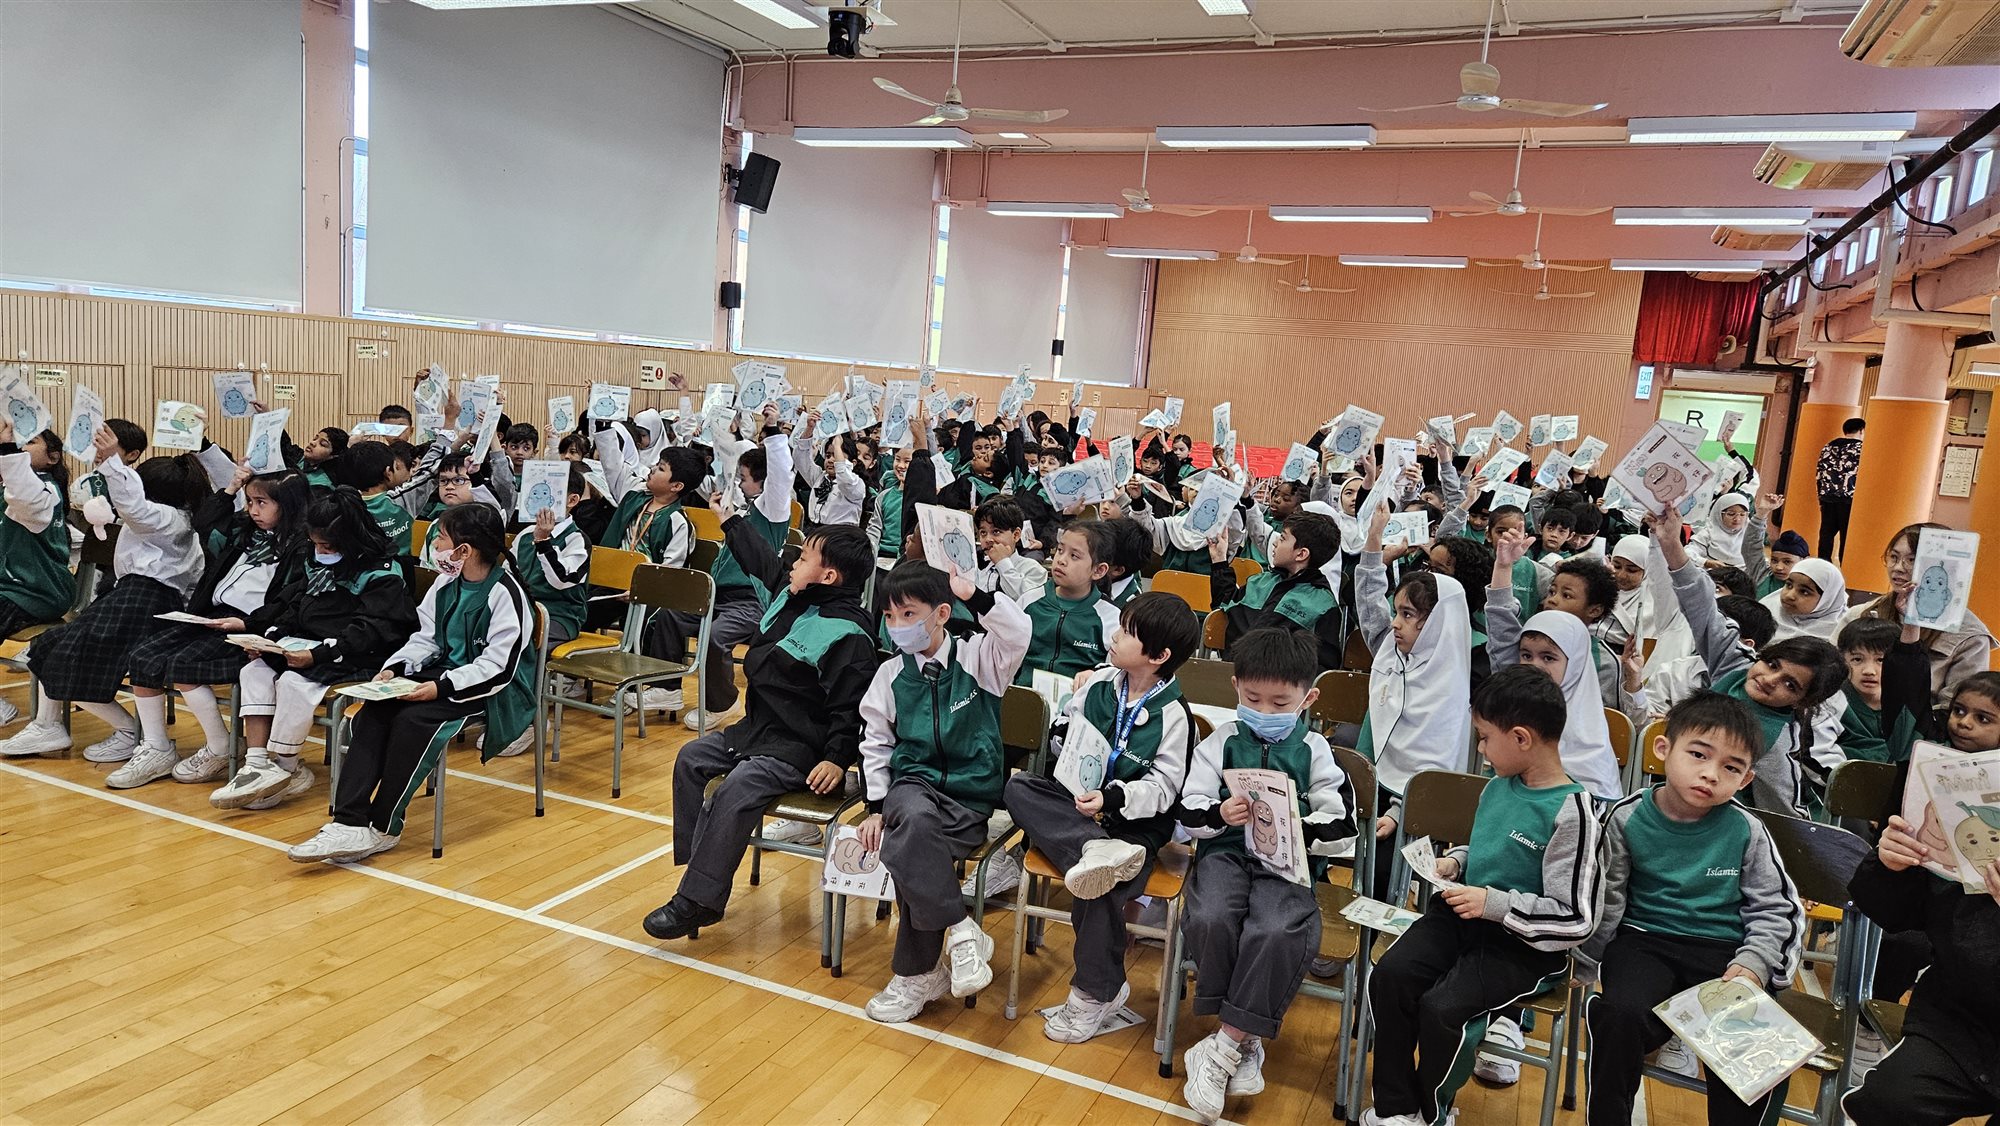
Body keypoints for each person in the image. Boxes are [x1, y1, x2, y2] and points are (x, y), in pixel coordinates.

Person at [1362, 665, 1602, 1126]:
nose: (1480, 748)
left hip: (1523, 945)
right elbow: (1491, 848)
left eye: (1485, 737)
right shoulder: (1497, 787)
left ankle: (1432, 1113)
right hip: (1462, 915)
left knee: (1442, 1009)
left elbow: (1574, 919)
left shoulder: (1573, 813)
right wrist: (1457, 861)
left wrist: (1493, 904)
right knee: (1390, 976)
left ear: (1521, 738)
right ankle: (1395, 1108)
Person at [1579, 692, 1806, 1126]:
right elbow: (1608, 897)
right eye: (1698, 755)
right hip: (1644, 942)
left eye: (1731, 768)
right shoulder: (1627, 817)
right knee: (1620, 1016)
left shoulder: (1747, 828)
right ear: (1663, 749)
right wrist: (1588, 959)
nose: (1710, 774)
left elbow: (1776, 908)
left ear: (1746, 779)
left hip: (1724, 952)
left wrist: (1754, 965)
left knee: (1751, 1048)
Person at [642, 525, 879, 941]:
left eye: (803, 558)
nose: (793, 563)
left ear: (828, 576)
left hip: (802, 747)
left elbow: (851, 709)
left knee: (738, 787)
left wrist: (836, 759)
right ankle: (701, 870)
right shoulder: (790, 597)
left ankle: (698, 900)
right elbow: (762, 560)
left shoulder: (849, 633)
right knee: (691, 759)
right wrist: (732, 520)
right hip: (757, 731)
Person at [1001, 591, 1202, 1043]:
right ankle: (1091, 849)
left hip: (1130, 830)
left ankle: (1095, 993)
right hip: (1078, 813)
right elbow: (1065, 735)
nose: (1115, 636)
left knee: (1097, 885)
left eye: (1128, 633)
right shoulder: (1098, 683)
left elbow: (1164, 790)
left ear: (1159, 656)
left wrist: (1112, 799)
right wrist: (1062, 734)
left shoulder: (1175, 716)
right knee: (1019, 786)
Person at [1175, 627, 1355, 1122]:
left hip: (1287, 867)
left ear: (1308, 698)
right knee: (1210, 916)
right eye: (1253, 699)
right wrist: (1219, 813)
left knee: (1276, 929)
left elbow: (1342, 828)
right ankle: (1245, 1036)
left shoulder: (1315, 748)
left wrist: (1300, 824)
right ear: (1235, 686)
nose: (1265, 711)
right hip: (1226, 855)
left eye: (1280, 703)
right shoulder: (1221, 742)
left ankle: (1225, 1044)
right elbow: (1188, 810)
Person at [286, 503, 532, 863]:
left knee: (412, 722)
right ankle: (348, 821)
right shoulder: (445, 584)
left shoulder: (505, 593)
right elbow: (425, 638)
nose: (435, 546)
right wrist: (396, 668)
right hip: (441, 675)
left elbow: (498, 668)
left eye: (441, 539)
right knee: (375, 712)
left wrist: (441, 687)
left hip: (490, 690)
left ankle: (385, 826)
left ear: (465, 550)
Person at [855, 559, 1031, 1023]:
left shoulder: (980, 659)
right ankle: (961, 930)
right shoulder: (889, 674)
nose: (897, 626)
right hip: (910, 788)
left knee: (911, 846)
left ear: (942, 614)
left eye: (909, 614)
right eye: (889, 616)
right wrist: (875, 806)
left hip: (968, 799)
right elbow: (875, 743)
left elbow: (1018, 632)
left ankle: (921, 976)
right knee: (910, 822)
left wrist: (973, 593)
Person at [0, 428, 209, 764]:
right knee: (49, 646)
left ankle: (128, 730)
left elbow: (136, 509)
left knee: (71, 657)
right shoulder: (160, 518)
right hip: (125, 597)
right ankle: (47, 725)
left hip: (147, 604)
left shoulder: (170, 519)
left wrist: (112, 462)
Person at [210, 487, 419, 809]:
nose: (319, 551)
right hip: (309, 645)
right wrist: (272, 638)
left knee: (293, 682)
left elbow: (372, 630)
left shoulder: (383, 573)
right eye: (315, 543)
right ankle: (257, 764)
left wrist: (320, 654)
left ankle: (286, 767)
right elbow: (298, 603)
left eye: (327, 546)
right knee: (254, 670)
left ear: (351, 541)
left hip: (357, 654)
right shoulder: (317, 562)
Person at [121, 468, 313, 786]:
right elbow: (204, 522)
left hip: (252, 628)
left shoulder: (301, 547)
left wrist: (248, 623)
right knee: (142, 656)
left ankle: (220, 747)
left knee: (184, 665)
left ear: (288, 504)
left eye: (262, 503)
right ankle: (157, 747)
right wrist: (231, 488)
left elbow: (289, 602)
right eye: (249, 502)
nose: (253, 510)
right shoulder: (244, 532)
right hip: (214, 616)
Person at [1657, 502, 1847, 816]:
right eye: (1772, 664)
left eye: (1790, 684)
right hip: (1670, 797)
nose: (1769, 680)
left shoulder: (1775, 740)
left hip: (1722, 820)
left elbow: (1782, 812)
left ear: (1802, 701)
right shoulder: (1736, 664)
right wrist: (1672, 547)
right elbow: (1703, 608)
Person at [1841, 763, 1999, 1125]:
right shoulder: (1944, 778)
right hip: (1958, 1021)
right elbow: (1898, 916)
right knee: (1888, 1100)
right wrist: (1890, 865)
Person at [1354, 504, 1472, 873]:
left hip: (1414, 805)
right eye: (1397, 611)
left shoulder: (1450, 688)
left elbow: (1434, 775)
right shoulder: (1391, 652)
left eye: (1407, 615)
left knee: (1383, 866)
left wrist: (1397, 811)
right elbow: (1369, 603)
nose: (1394, 623)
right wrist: (1374, 539)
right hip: (1367, 783)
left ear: (1437, 623)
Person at [1842, 522, 1997, 708]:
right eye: (1893, 557)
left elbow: (1956, 707)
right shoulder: (1861, 614)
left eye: (1912, 560)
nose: (1898, 567)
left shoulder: (1970, 636)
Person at [0, 420, 72, 729]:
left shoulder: (43, 489)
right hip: (12, 586)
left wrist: (7, 449)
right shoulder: (11, 487)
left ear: (52, 457)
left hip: (37, 590)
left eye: (28, 442)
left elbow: (23, 495)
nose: (19, 446)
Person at [1207, 511, 1343, 669]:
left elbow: (1324, 665)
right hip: (1232, 671)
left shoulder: (1322, 604)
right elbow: (1223, 607)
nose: (1275, 543)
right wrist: (1219, 561)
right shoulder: (1261, 581)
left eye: (1282, 538)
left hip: (1276, 681)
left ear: (1301, 554)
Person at [1015, 523, 1119, 686]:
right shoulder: (1029, 601)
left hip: (1076, 699)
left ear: (1098, 570)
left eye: (1074, 556)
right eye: (1060, 550)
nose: (1061, 560)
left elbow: (1115, 672)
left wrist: (1095, 675)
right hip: (1021, 694)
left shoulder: (1111, 617)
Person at [972, 495, 1046, 604]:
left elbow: (1025, 602)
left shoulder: (1033, 569)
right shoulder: (978, 570)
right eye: (983, 533)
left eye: (996, 532)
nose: (988, 539)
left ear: (1016, 535)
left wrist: (1002, 563)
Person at [1762, 557, 1847, 643]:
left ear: (1827, 600)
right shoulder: (1767, 611)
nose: (1789, 595)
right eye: (1789, 585)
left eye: (1804, 592)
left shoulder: (1840, 632)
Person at [1813, 417, 1863, 562]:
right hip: (1849, 499)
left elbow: (1819, 473)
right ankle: (1844, 566)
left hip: (1827, 496)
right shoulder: (1861, 449)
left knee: (1826, 534)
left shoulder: (1828, 447)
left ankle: (1822, 563)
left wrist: (1821, 495)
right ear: (1861, 431)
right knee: (1846, 536)